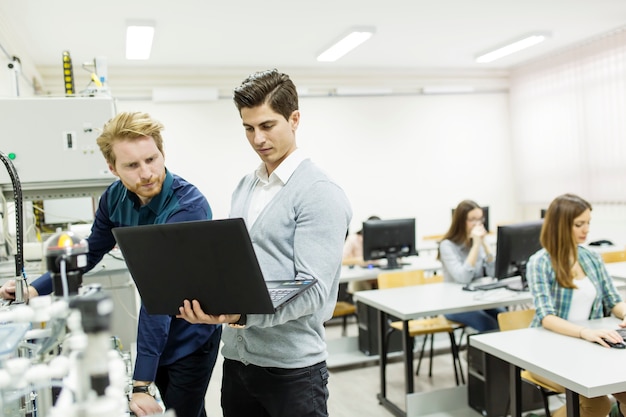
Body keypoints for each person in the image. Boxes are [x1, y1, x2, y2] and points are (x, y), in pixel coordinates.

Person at [0, 111, 222, 417]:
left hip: (191, 332)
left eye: (152, 159)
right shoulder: (113, 199)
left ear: (162, 153)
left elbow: (160, 294)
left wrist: (141, 384)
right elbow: (90, 253)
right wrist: (34, 291)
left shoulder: (188, 207)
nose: (146, 173)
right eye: (132, 165)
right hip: (156, 331)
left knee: (182, 410)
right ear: (112, 167)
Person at [177, 68, 352, 417]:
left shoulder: (319, 193)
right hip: (238, 361)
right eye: (248, 128)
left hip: (293, 371)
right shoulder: (246, 185)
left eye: (267, 125)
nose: (258, 139)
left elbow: (312, 289)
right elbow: (239, 266)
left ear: (294, 119)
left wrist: (242, 313)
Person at [526, 193, 626, 417]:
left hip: (590, 347)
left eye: (588, 223)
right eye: (579, 224)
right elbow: (546, 317)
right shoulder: (540, 262)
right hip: (548, 349)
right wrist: (585, 333)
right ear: (560, 225)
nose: (586, 229)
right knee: (595, 403)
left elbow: (613, 300)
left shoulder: (591, 257)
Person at [437, 199, 503, 332]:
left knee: (505, 317)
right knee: (490, 325)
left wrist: (485, 245)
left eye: (480, 219)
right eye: (472, 219)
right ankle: (480, 353)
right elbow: (463, 278)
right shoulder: (447, 245)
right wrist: (476, 245)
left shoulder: (479, 241)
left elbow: (493, 274)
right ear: (461, 221)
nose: (477, 224)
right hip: (455, 304)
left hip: (478, 299)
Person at [343, 215, 380, 292]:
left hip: (377, 276)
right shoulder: (353, 238)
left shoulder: (381, 239)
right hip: (360, 278)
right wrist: (358, 260)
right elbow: (341, 260)